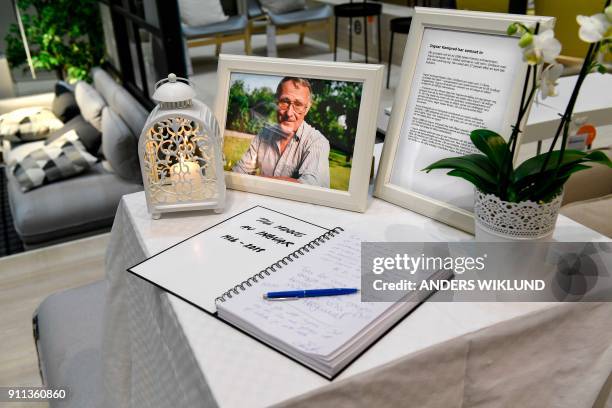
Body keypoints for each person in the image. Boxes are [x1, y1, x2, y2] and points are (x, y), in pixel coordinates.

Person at [232, 77, 330, 188]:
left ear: (307, 109)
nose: (289, 113)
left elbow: (311, 186)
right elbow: (239, 171)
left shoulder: (317, 142)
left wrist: (255, 180)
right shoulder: (263, 135)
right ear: (276, 102)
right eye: (285, 102)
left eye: (298, 104)